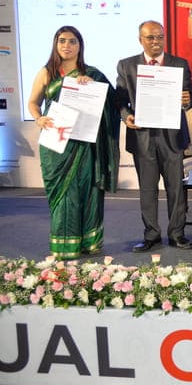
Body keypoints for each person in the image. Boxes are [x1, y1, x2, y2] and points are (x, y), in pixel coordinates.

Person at [28, 26, 120, 259]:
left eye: (72, 41)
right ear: (55, 44)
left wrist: (94, 88)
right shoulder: (46, 72)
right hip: (56, 144)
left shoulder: (92, 74)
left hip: (85, 143)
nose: (66, 46)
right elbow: (33, 102)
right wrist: (39, 118)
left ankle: (89, 242)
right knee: (63, 194)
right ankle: (64, 245)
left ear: (80, 45)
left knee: (87, 190)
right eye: (62, 41)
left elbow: (114, 102)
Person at [117, 21, 192, 252]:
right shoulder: (126, 65)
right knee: (147, 189)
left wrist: (187, 100)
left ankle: (177, 234)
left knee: (176, 188)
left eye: (160, 37)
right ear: (140, 39)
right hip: (142, 136)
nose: (156, 41)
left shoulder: (179, 64)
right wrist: (126, 116)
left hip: (172, 137)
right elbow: (120, 100)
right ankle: (151, 235)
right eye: (150, 37)